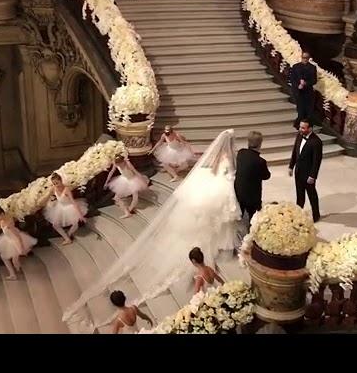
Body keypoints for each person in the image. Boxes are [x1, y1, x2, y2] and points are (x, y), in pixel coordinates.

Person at [62, 129, 243, 332]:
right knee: (218, 215)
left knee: (216, 215)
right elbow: (222, 169)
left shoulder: (222, 155)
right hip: (222, 182)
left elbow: (216, 167)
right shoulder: (228, 157)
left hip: (219, 181)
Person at [0, 206, 38, 280]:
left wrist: (21, 247)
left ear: (2, 214)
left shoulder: (9, 223)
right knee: (4, 257)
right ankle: (13, 274)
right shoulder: (2, 220)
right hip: (8, 240)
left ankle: (18, 270)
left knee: (14, 260)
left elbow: (18, 236)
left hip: (15, 241)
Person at [288, 119, 323, 222]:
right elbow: (295, 152)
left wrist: (313, 176)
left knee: (312, 195)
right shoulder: (299, 136)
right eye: (300, 127)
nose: (300, 129)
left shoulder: (316, 142)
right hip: (298, 171)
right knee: (299, 194)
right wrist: (291, 166)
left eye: (303, 128)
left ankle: (316, 215)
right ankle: (298, 213)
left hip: (308, 174)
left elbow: (317, 161)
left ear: (310, 128)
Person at [234, 131, 271, 224]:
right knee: (254, 220)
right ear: (260, 143)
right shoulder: (260, 161)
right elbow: (266, 176)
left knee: (240, 216)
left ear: (248, 141)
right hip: (252, 198)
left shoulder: (241, 153)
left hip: (238, 193)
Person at [42, 172, 88, 245]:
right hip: (60, 207)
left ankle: (68, 235)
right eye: (54, 184)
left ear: (61, 181)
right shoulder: (53, 189)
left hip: (69, 207)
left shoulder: (66, 190)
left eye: (57, 183)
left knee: (75, 224)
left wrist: (80, 215)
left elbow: (73, 202)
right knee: (55, 225)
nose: (55, 185)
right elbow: (46, 197)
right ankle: (67, 238)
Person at [289, 51, 317, 129]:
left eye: (306, 58)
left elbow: (314, 80)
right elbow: (292, 79)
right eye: (303, 58)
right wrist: (298, 86)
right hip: (299, 92)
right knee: (300, 110)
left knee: (308, 110)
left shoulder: (312, 67)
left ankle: (306, 125)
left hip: (308, 92)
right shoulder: (296, 67)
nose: (304, 59)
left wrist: (305, 83)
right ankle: (299, 124)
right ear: (301, 58)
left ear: (309, 58)